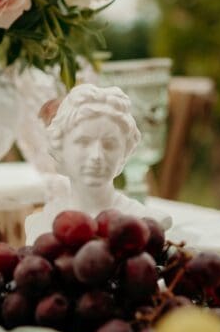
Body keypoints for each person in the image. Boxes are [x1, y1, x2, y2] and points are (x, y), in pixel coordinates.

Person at [24, 83, 171, 242]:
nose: (97, 156)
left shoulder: (145, 222)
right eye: (84, 142)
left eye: (109, 145)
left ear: (124, 153)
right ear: (60, 149)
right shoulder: (43, 224)